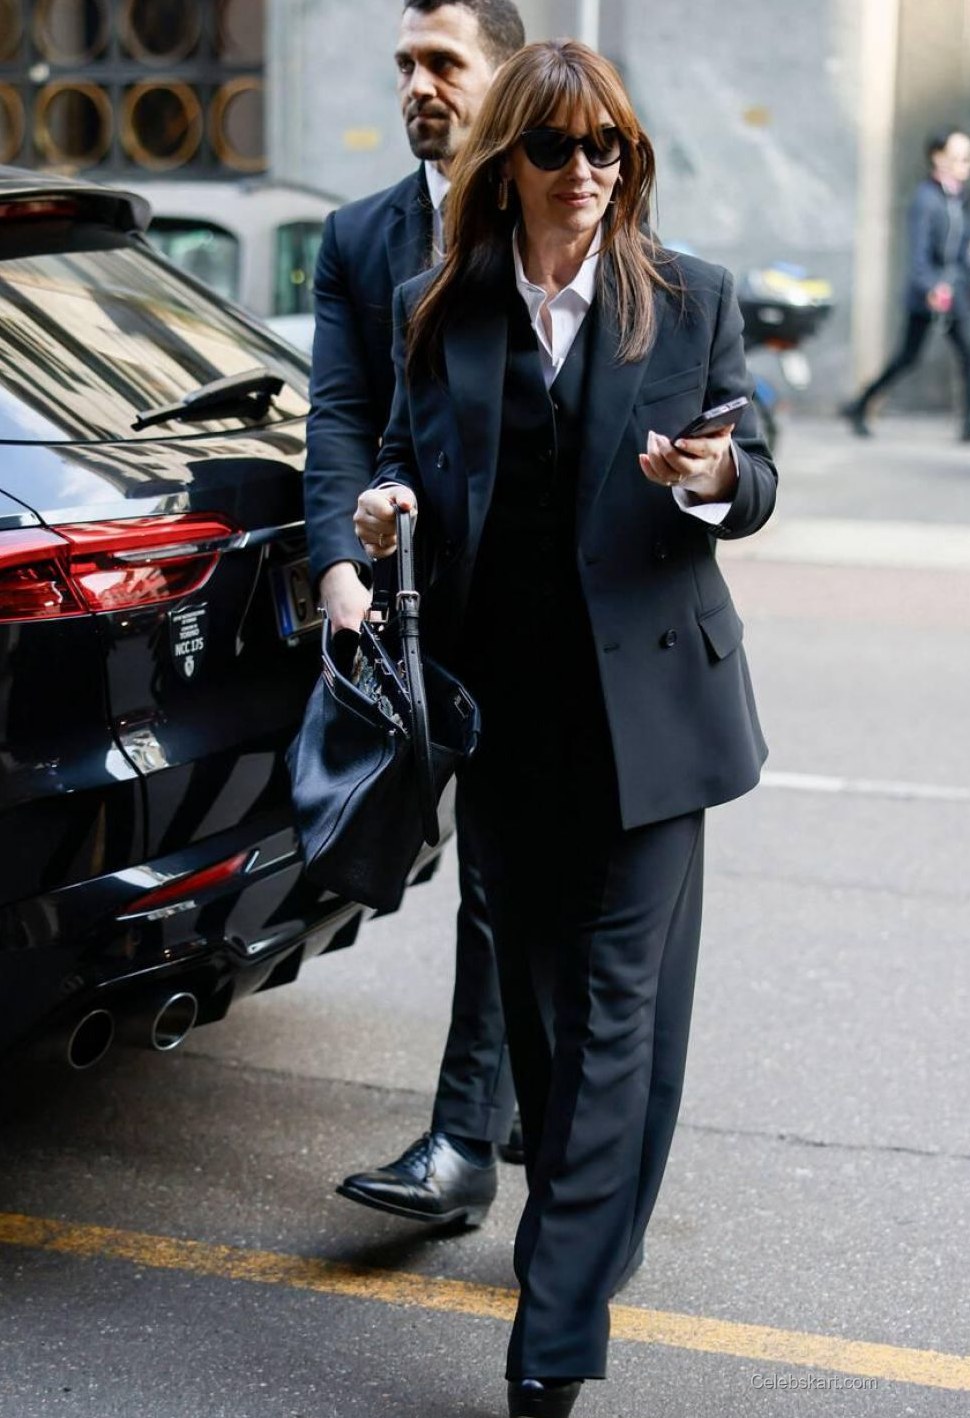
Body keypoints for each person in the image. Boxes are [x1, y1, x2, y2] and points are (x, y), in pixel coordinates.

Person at [355, 38, 778, 1418]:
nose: (585, 169)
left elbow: (755, 475)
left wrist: (714, 475)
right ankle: (601, 1233)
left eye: (609, 147)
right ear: (509, 164)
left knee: (609, 1010)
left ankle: (552, 1329)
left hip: (654, 714)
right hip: (508, 721)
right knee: (555, 1025)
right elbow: (408, 458)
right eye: (556, 147)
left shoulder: (690, 297)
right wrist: (387, 508)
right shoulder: (440, 309)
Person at [304, 0, 527, 1229]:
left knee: (502, 865)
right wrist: (338, 570)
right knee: (476, 861)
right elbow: (340, 409)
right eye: (404, 63)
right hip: (408, 599)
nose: (417, 85)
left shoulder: (559, 203)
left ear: (506, 72)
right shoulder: (358, 238)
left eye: (443, 61)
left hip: (532, 604)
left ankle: (464, 1138)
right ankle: (514, 1100)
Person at [842, 127, 970, 439]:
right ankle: (861, 404)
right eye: (959, 158)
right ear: (937, 158)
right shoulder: (926, 199)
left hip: (956, 291)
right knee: (908, 357)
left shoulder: (959, 198)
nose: (965, 165)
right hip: (929, 295)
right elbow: (919, 252)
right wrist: (930, 287)